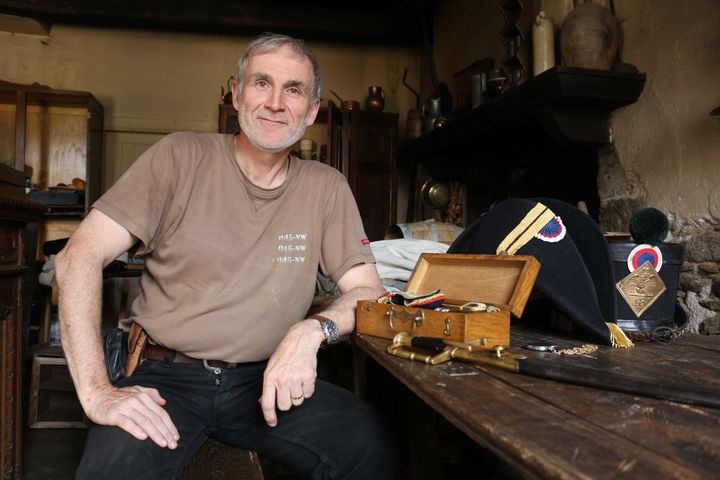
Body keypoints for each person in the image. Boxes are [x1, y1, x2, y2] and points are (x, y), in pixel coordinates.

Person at [55, 32, 396, 479]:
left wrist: (311, 332)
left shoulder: (326, 186)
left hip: (264, 381)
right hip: (165, 378)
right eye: (261, 83)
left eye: (293, 90)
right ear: (236, 94)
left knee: (373, 446)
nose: (276, 102)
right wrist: (98, 391)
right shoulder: (179, 157)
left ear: (311, 111)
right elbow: (77, 257)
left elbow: (369, 290)